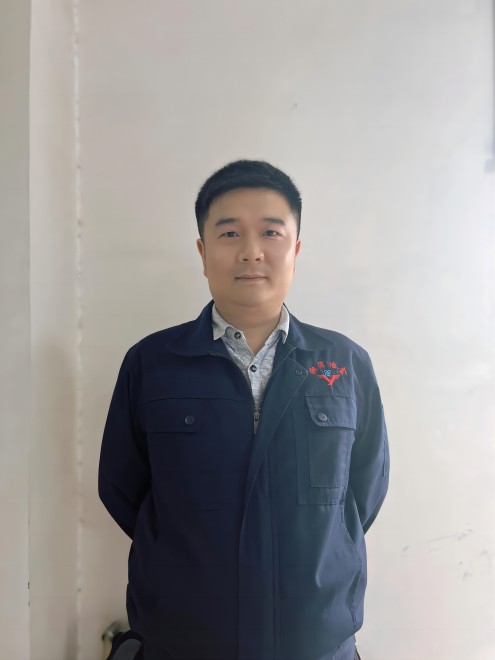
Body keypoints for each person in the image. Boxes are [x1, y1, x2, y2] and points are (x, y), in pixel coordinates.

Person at [99, 160, 389, 660]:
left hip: (314, 642)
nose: (251, 251)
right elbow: (123, 489)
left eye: (271, 233)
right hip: (185, 641)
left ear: (295, 250)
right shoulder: (152, 363)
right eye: (230, 232)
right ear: (203, 251)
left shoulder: (345, 363)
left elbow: (365, 491)